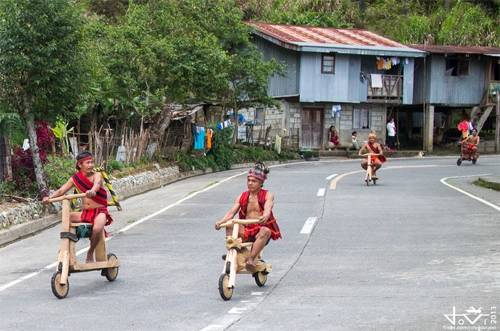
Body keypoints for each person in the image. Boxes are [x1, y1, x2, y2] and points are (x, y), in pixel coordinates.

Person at [42, 151, 113, 263]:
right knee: (67, 217)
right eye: (87, 163)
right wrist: (49, 198)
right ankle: (67, 246)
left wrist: (92, 190)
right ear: (80, 165)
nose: (90, 165)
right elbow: (61, 190)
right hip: (86, 213)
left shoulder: (97, 175)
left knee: (97, 228)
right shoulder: (75, 178)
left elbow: (97, 184)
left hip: (100, 211)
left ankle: (90, 252)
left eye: (91, 162)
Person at [214, 162, 281, 271]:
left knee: (265, 230)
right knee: (230, 225)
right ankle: (233, 252)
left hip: (259, 231)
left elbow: (268, 208)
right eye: (248, 180)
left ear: (261, 182)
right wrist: (221, 222)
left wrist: (265, 216)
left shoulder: (268, 195)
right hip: (246, 229)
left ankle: (250, 259)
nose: (250, 183)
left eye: (253, 181)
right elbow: (231, 212)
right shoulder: (242, 196)